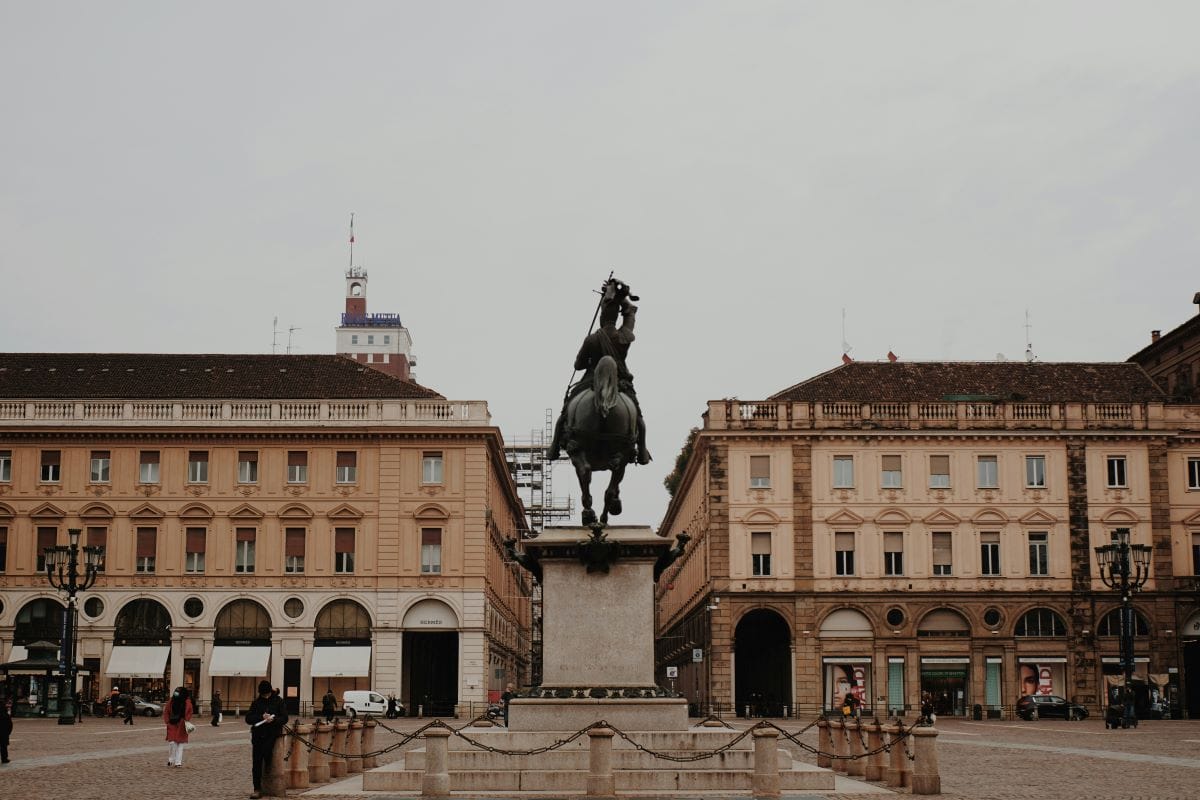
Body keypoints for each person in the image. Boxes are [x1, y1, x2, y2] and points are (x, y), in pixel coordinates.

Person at [547, 278, 651, 465]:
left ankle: (554, 446)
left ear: (602, 316)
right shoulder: (623, 336)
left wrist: (613, 297)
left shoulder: (592, 339)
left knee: (564, 414)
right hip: (621, 382)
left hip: (590, 381)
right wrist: (623, 301)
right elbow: (631, 315)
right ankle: (642, 450)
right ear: (616, 318)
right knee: (639, 418)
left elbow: (578, 365)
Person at [247, 680, 289, 799]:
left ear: (270, 692)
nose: (265, 696)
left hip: (272, 734)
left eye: (266, 694)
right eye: (263, 694)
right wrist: (261, 717)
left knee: (268, 758)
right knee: (256, 762)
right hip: (258, 735)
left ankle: (271, 786)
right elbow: (248, 718)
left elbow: (285, 718)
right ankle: (257, 788)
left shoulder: (278, 701)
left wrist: (274, 720)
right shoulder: (256, 702)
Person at [163, 686, 194, 767]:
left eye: (178, 692)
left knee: (180, 744)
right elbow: (166, 711)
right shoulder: (171, 701)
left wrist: (186, 719)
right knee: (172, 743)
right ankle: (171, 759)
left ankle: (178, 762)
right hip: (172, 723)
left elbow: (190, 712)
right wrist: (167, 721)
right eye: (175, 691)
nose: (176, 693)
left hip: (181, 724)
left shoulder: (187, 702)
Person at [0, 694, 12, 764]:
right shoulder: (5, 714)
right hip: (3, 733)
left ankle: (5, 758)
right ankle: (4, 758)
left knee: (3, 746)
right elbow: (9, 724)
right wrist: (8, 732)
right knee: (3, 746)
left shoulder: (5, 713)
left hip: (4, 732)